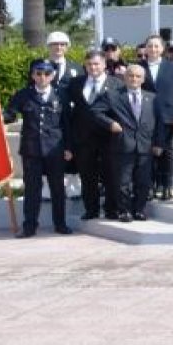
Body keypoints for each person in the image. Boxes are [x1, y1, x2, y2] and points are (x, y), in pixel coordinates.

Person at [3, 60, 73, 237]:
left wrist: (69, 147)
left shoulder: (61, 95)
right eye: (38, 73)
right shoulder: (23, 94)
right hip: (31, 149)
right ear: (33, 75)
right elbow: (10, 114)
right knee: (32, 189)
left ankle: (60, 224)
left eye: (47, 73)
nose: (43, 77)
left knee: (57, 188)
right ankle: (29, 226)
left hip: (54, 149)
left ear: (53, 75)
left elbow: (68, 124)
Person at [94, 63, 164, 222]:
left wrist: (159, 143)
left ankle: (139, 210)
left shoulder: (152, 98)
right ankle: (124, 211)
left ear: (143, 79)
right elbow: (96, 112)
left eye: (138, 76)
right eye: (130, 75)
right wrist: (110, 123)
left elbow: (160, 122)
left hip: (145, 146)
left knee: (144, 181)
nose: (134, 79)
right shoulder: (112, 95)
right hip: (122, 144)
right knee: (123, 182)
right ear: (125, 77)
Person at [66, 50, 121, 220]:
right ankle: (91, 209)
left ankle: (112, 209)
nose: (93, 67)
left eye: (96, 64)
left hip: (108, 138)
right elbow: (69, 111)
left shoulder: (117, 83)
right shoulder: (75, 83)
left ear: (104, 65)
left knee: (111, 175)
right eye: (89, 64)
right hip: (83, 139)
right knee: (87, 176)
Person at [141, 35, 173, 202]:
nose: (153, 49)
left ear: (162, 48)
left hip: (167, 116)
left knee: (167, 153)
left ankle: (166, 186)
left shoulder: (172, 67)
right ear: (145, 49)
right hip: (146, 115)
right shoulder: (139, 67)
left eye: (156, 46)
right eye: (150, 46)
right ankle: (150, 186)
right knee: (147, 152)